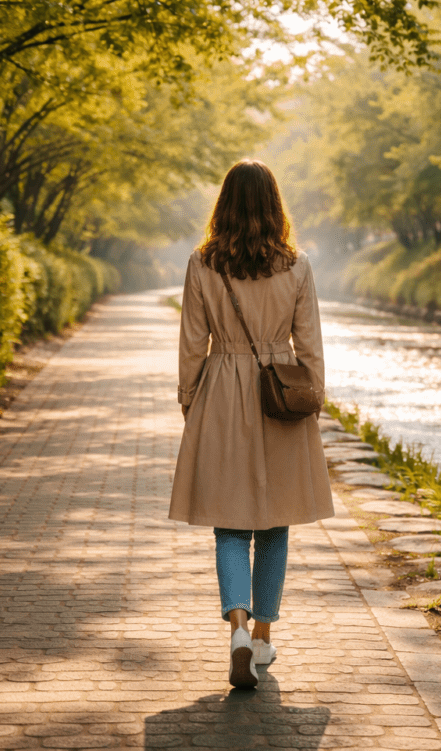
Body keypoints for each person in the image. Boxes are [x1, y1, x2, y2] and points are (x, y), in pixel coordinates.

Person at [168, 159, 333, 689]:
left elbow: (194, 343)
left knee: (230, 523)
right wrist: (314, 400)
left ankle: (236, 628)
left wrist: (190, 401)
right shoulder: (298, 266)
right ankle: (263, 638)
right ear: (275, 204)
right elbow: (309, 345)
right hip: (277, 400)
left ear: (224, 204)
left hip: (222, 394)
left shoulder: (202, 264)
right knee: (276, 523)